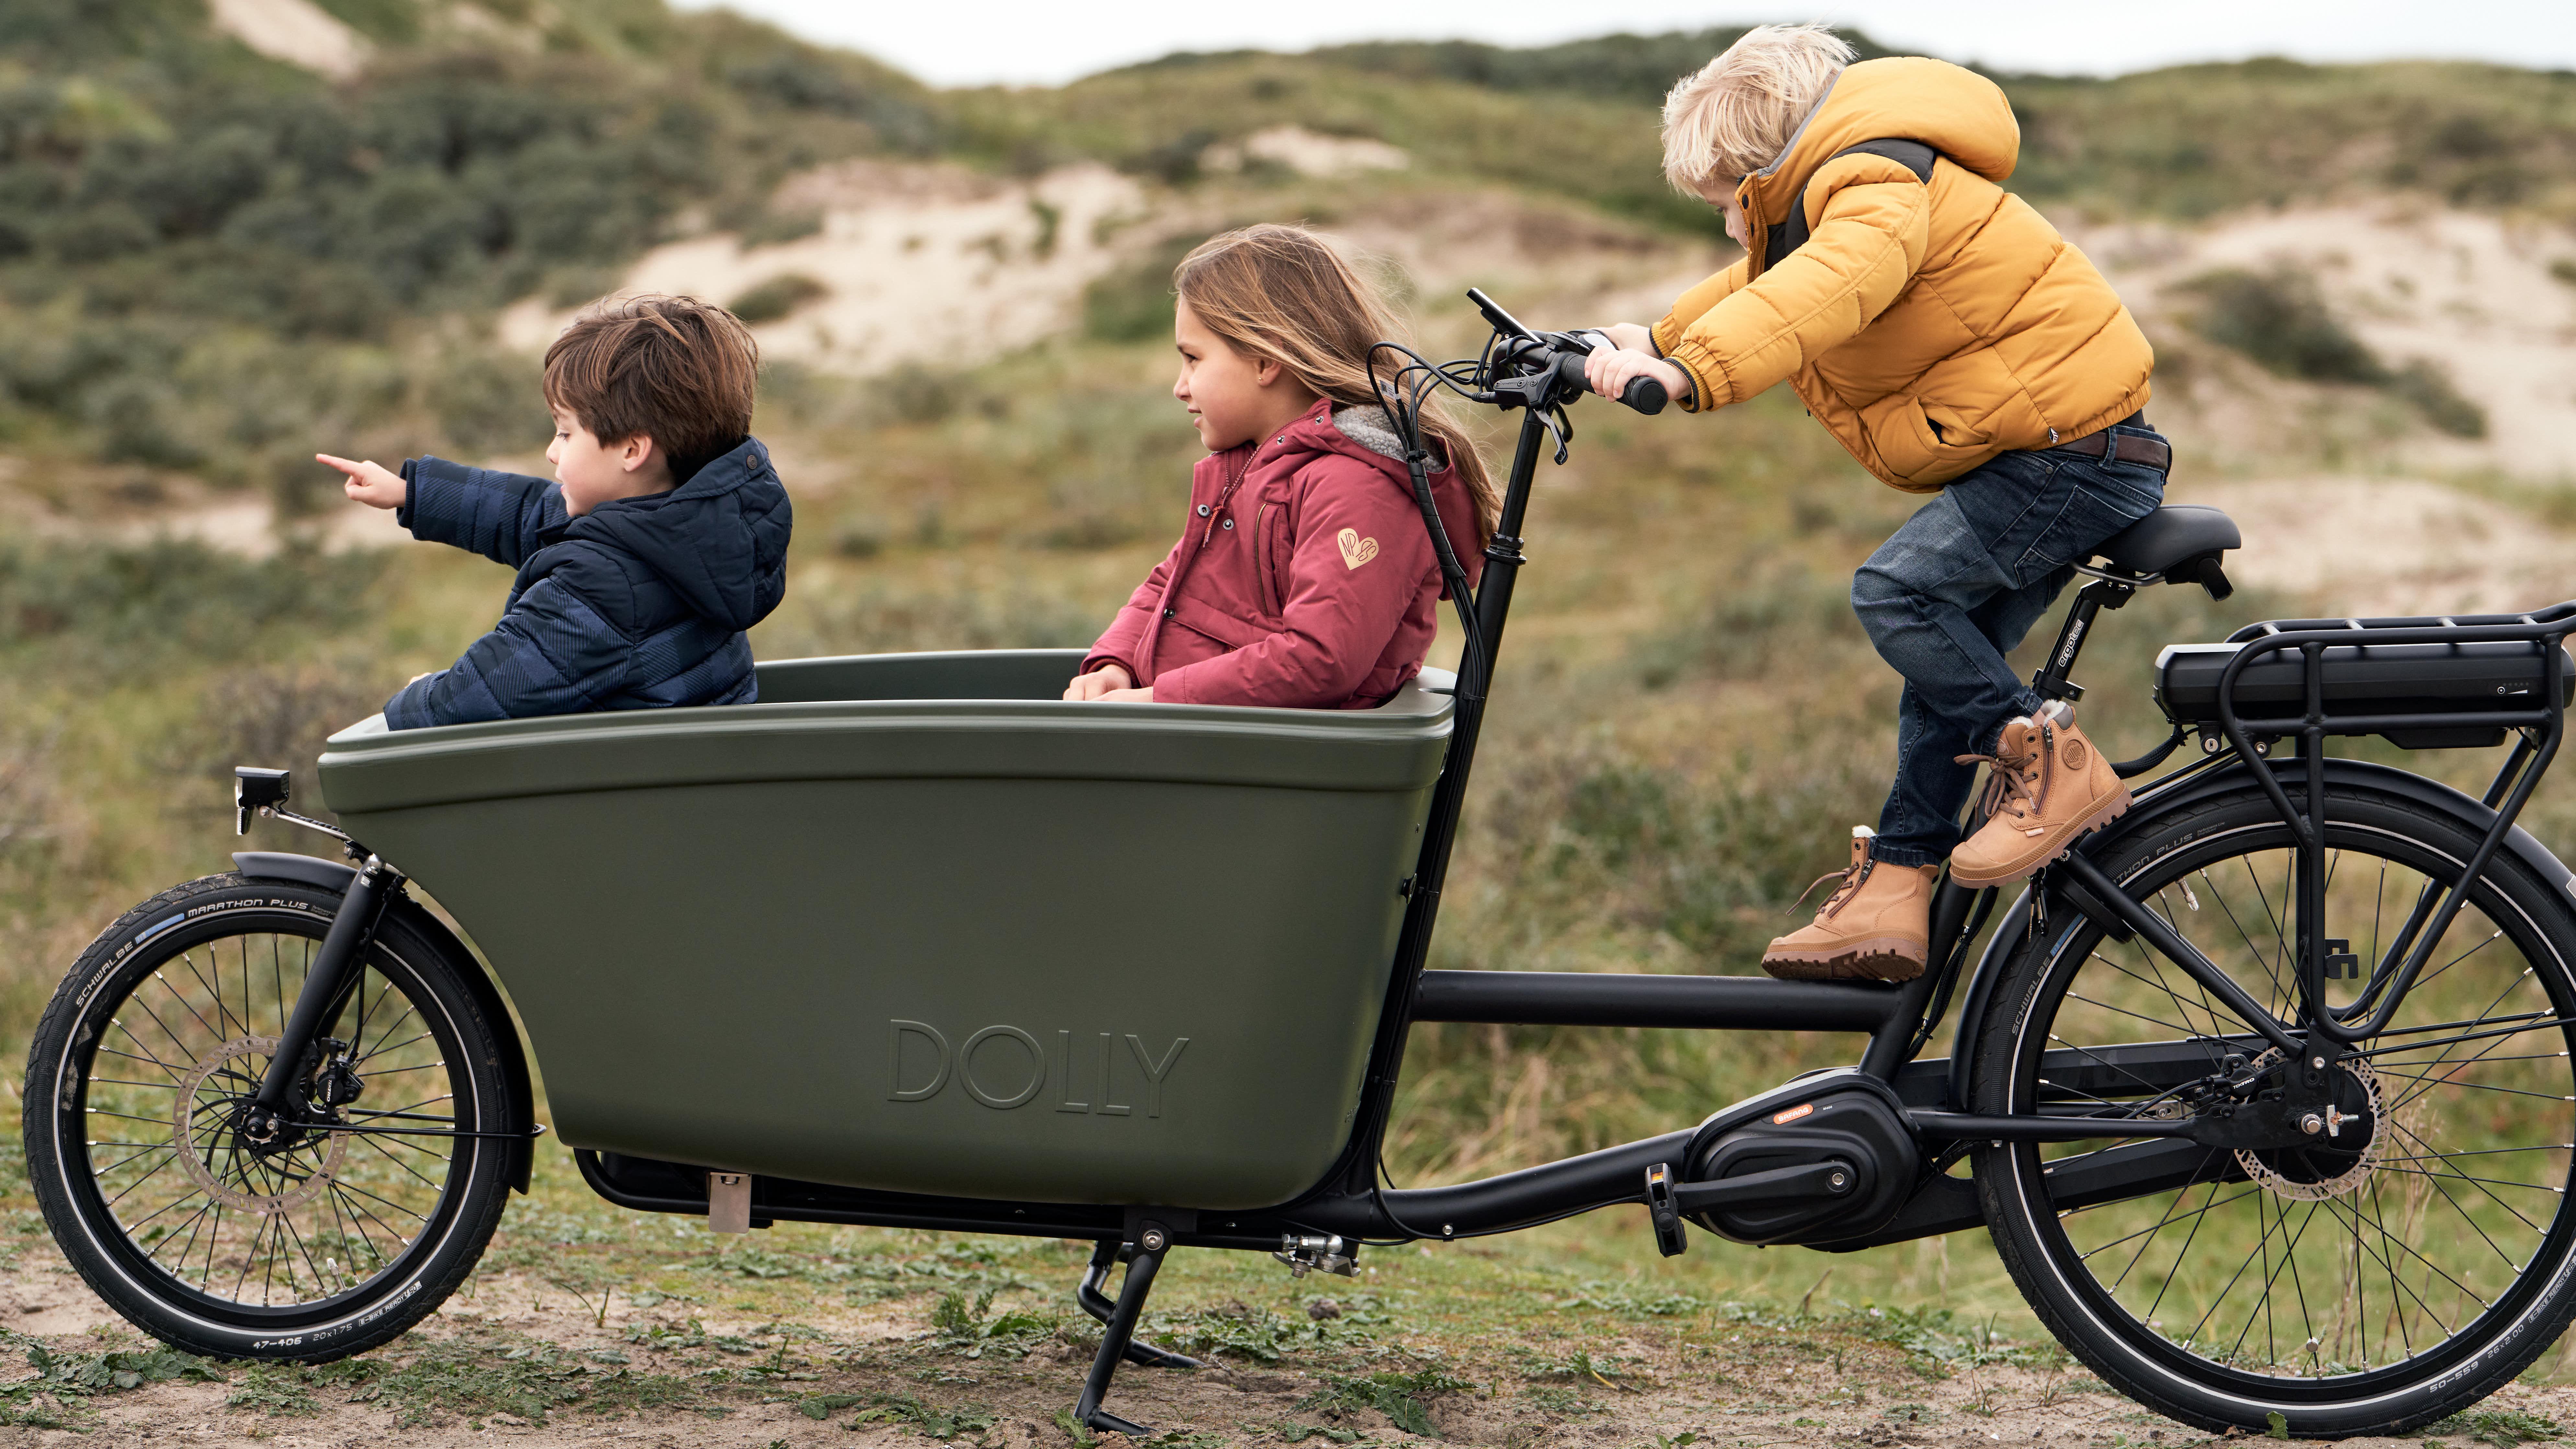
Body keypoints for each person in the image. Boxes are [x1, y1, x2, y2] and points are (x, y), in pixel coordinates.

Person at [1577, 26, 2168, 982]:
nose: (1730, 222)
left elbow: (1818, 290)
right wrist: (1652, 333)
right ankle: (1898, 889)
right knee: (1942, 662)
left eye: (1730, 198)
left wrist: (1690, 373)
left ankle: (2049, 763)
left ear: (1767, 168)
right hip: (2062, 449)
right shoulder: (1869, 184)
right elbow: (1771, 280)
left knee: (1897, 594)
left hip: (2072, 459)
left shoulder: (1877, 190)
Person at [1064, 224, 1494, 710]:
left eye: (1193, 359)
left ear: (1267, 359)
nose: (1180, 386)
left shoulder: (1359, 486)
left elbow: (1320, 660)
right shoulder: (1255, 463)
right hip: (1211, 743)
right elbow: (1172, 583)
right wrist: (1114, 662)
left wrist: (1159, 701)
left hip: (1285, 766)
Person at [319, 294, 792, 731]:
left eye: (566, 433)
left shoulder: (601, 590)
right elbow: (532, 512)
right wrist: (413, 493)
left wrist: (416, 694)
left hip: (618, 804)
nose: (551, 451)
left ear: (632, 449)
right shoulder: (695, 531)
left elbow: (475, 696)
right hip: (690, 785)